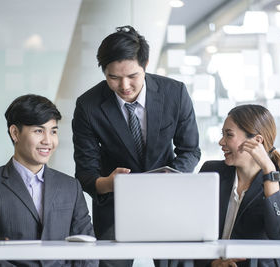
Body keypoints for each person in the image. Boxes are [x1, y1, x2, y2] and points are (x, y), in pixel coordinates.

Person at [72, 25, 201, 267]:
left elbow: (190, 151)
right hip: (115, 208)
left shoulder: (175, 93)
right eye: (113, 77)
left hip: (168, 203)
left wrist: (171, 176)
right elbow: (86, 173)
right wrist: (108, 183)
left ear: (146, 65)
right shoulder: (88, 106)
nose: (124, 86)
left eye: (132, 76)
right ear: (103, 72)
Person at [0, 94, 98, 267]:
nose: (48, 141)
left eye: (53, 131)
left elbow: (88, 249)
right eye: (39, 131)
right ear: (15, 133)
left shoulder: (71, 187)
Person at [198, 104, 280, 267]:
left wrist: (269, 171)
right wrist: (213, 263)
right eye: (222, 134)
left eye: (229, 135)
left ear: (257, 141)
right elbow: (192, 230)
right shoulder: (211, 172)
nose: (221, 141)